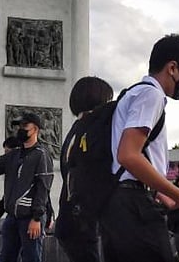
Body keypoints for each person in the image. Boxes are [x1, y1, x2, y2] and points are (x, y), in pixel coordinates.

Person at [100, 34, 179, 262]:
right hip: (134, 204)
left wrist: (165, 194)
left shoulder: (133, 93)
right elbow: (128, 155)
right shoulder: (151, 95)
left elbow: (135, 157)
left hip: (119, 200)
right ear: (172, 67)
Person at [0, 112, 54, 262]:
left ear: (36, 129)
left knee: (31, 258)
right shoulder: (14, 155)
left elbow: (43, 188)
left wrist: (37, 218)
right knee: (5, 257)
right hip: (12, 218)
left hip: (30, 218)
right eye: (19, 126)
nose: (21, 129)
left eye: (25, 126)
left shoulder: (41, 155)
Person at [55, 76, 113, 262]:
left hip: (69, 215)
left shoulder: (75, 129)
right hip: (84, 219)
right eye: (108, 100)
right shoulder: (93, 129)